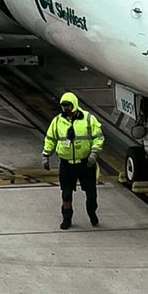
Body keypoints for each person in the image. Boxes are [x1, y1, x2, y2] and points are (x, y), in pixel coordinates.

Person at [42, 90, 104, 229]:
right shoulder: (57, 121)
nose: (66, 109)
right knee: (66, 194)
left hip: (86, 164)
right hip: (67, 165)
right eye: (64, 106)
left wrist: (94, 153)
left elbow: (98, 137)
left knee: (91, 194)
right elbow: (50, 138)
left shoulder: (89, 119)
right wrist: (46, 155)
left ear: (74, 105)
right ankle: (67, 218)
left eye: (68, 106)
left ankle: (92, 212)